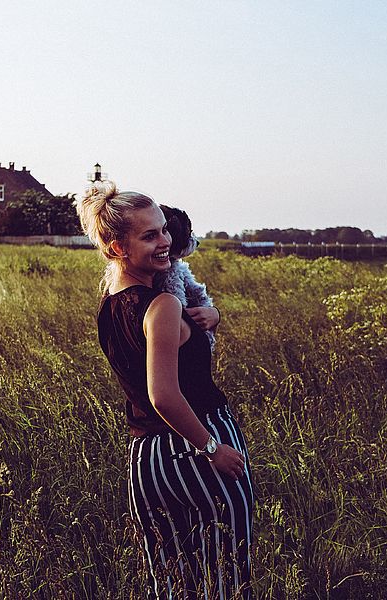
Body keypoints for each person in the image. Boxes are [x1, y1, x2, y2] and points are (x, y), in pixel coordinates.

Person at [76, 181, 254, 599]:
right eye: (150, 235)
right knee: (226, 579)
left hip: (147, 461)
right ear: (117, 247)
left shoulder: (110, 305)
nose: (166, 243)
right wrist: (212, 447)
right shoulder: (163, 305)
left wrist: (208, 315)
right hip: (196, 446)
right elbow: (165, 395)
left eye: (165, 231)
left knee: (171, 583)